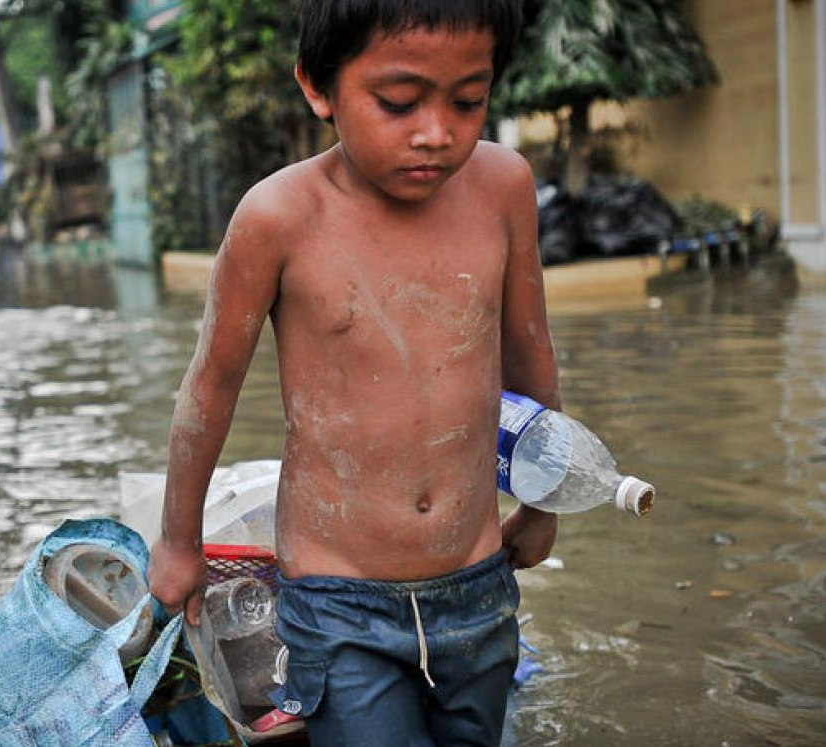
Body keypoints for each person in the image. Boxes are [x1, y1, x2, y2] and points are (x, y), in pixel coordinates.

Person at [148, 1, 559, 745]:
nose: (437, 131)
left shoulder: (503, 187)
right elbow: (210, 385)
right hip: (340, 600)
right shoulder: (278, 217)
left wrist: (541, 499)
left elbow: (530, 354)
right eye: (398, 103)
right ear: (318, 86)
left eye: (469, 99)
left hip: (478, 582)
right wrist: (179, 540)